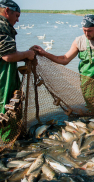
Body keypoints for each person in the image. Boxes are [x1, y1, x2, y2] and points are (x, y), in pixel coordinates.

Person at [34, 14, 94, 114]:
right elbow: (65, 59)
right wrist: (44, 53)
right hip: (88, 83)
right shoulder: (78, 41)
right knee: (93, 110)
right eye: (84, 30)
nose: (86, 33)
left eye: (89, 31)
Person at [0, 0, 35, 141]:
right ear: (7, 11)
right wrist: (27, 54)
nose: (18, 19)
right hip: (3, 82)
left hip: (6, 77)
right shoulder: (2, 26)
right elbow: (7, 56)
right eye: (17, 15)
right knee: (6, 112)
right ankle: (8, 148)